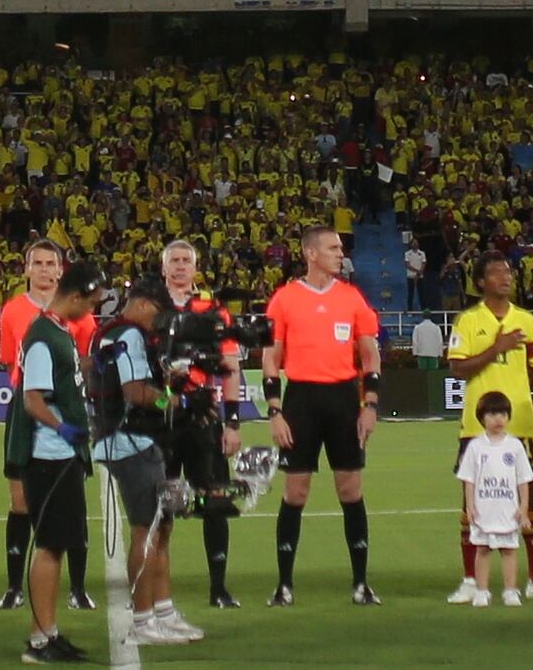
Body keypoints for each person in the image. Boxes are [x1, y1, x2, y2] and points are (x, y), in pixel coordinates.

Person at [266, 226, 384, 607]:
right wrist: (275, 411)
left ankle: (361, 583)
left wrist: (370, 405)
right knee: (295, 491)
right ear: (310, 253)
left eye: (340, 247)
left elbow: (370, 355)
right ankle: (284, 585)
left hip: (343, 398)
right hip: (300, 397)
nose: (340, 253)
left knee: (350, 489)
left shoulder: (352, 298)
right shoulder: (284, 299)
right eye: (332, 247)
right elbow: (271, 357)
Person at [99, 281, 195, 644]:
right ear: (140, 304)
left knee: (161, 527)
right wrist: (172, 401)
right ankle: (142, 620)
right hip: (130, 439)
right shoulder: (130, 336)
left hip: (135, 439)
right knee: (147, 528)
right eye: (156, 310)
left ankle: (164, 611)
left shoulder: (116, 334)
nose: (159, 320)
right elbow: (135, 392)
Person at [153, 239, 247, 613]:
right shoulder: (151, 310)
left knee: (215, 499)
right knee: (160, 505)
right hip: (161, 418)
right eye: (173, 261)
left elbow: (230, 368)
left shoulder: (214, 311)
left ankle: (219, 587)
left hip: (204, 418)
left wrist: (233, 422)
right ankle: (157, 591)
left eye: (185, 261)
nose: (179, 267)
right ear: (163, 269)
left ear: (195, 269)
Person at [9, 265, 95, 665]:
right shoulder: (43, 336)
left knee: (57, 546)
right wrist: (65, 430)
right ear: (76, 296)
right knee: (48, 546)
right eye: (91, 303)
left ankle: (49, 631)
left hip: (60, 457)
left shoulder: (56, 332)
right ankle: (39, 640)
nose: (90, 311)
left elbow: (65, 380)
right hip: (49, 458)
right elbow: (33, 399)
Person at [453, 253, 533, 586]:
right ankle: (471, 581)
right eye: (496, 272)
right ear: (481, 282)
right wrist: (497, 348)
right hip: (475, 426)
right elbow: (458, 369)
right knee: (472, 500)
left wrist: (518, 393)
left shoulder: (527, 320)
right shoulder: (467, 321)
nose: (505, 277)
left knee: (531, 497)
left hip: (521, 424)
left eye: (508, 271)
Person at [459, 387, 533, 607]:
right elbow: (469, 480)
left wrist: (523, 509)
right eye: (493, 414)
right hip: (484, 508)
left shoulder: (514, 446)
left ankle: (510, 591)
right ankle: (482, 591)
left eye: (503, 414)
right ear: (482, 417)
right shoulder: (476, 446)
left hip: (507, 509)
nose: (498, 419)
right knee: (483, 550)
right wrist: (470, 507)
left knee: (509, 550)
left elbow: (524, 480)